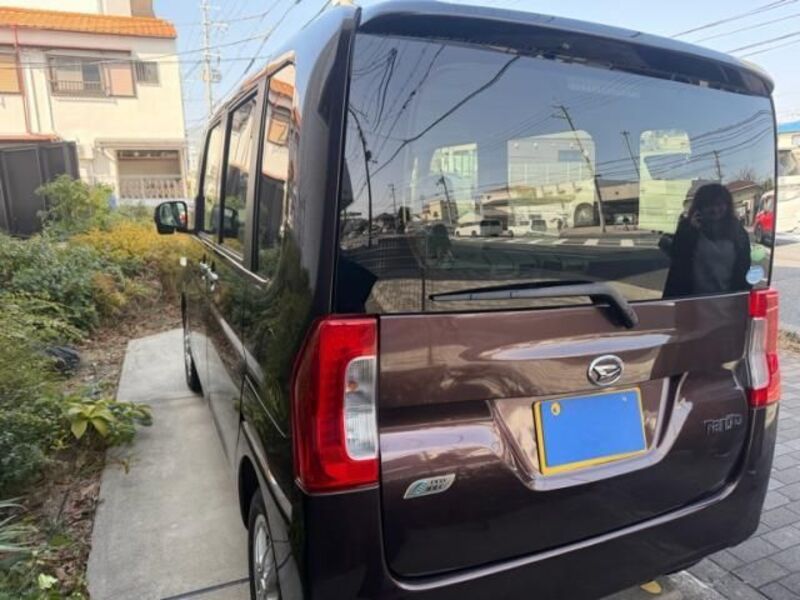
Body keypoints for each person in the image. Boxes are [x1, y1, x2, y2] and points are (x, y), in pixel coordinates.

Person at [663, 183, 751, 298]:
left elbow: (745, 267)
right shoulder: (688, 227)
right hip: (691, 301)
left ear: (727, 205)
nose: (715, 209)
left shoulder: (737, 230)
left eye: (719, 204)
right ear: (699, 207)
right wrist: (691, 231)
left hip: (728, 300)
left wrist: (743, 297)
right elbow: (677, 259)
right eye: (709, 205)